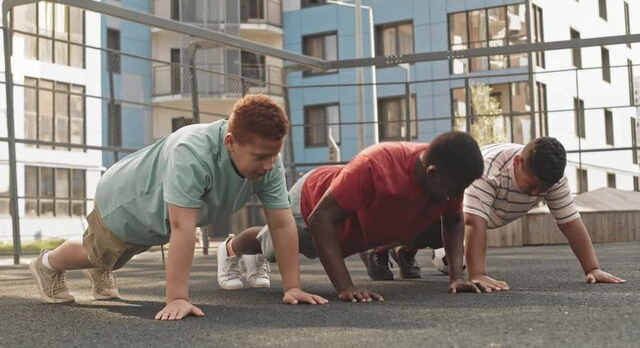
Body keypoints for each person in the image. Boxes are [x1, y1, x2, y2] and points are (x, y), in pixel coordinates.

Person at [28, 94, 327, 321]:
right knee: (96, 253)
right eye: (261, 156)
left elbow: (282, 223)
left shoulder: (267, 162)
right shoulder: (192, 152)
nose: (270, 164)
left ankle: (102, 268)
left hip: (157, 216)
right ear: (230, 142)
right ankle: (48, 264)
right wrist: (177, 298)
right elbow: (183, 227)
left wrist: (293, 287)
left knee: (117, 255)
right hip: (126, 200)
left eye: (274, 154)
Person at [221, 132, 485, 302]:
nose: (457, 194)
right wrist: (345, 286)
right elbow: (320, 219)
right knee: (270, 246)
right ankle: (231, 248)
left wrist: (456, 278)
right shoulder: (377, 164)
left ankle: (375, 250)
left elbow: (453, 223)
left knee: (440, 217)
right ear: (432, 171)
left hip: (360, 219)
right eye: (454, 188)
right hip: (311, 206)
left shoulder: (449, 179)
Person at [463, 138, 625, 291]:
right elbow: (473, 221)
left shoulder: (554, 178)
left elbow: (570, 224)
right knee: (440, 234)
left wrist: (592, 268)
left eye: (544, 189)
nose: (536, 193)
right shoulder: (488, 170)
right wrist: (478, 274)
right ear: (517, 163)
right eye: (532, 186)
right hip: (451, 207)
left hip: (488, 214)